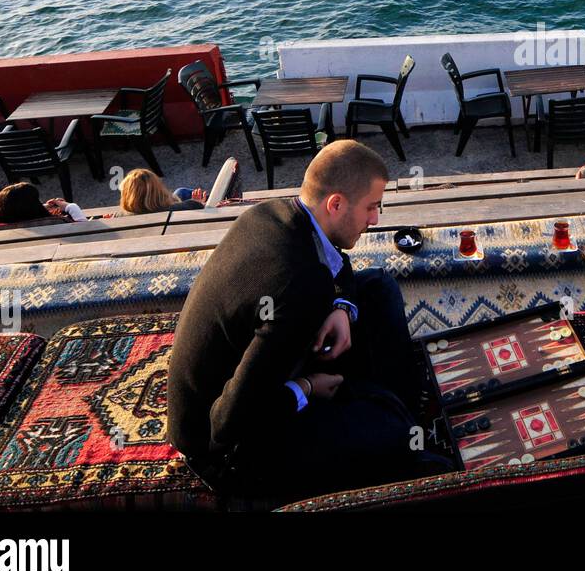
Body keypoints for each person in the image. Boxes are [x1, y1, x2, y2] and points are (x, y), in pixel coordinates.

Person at [168, 139, 449, 503]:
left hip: (256, 371)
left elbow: (338, 265)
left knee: (377, 286)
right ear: (336, 203)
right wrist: (307, 387)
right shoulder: (298, 289)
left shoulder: (273, 214)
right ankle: (399, 422)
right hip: (225, 451)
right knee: (394, 431)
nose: (375, 220)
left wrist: (343, 309)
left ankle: (394, 403)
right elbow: (227, 423)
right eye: (371, 207)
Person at [118, 168, 206, 216]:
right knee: (183, 192)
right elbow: (194, 205)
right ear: (157, 192)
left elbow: (118, 214)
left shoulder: (122, 216)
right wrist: (198, 203)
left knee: (180, 191)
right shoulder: (187, 206)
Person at [0, 182, 85, 225]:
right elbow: (87, 230)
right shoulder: (57, 222)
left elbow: (21, 211)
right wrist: (70, 207)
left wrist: (42, 207)